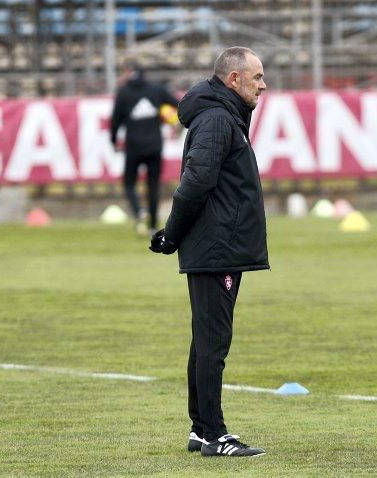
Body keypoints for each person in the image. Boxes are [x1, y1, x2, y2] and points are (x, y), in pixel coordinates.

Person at [149, 47, 269, 457]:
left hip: (218, 245)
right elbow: (196, 181)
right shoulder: (218, 118)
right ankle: (215, 435)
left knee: (205, 341)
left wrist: (174, 236)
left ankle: (201, 429)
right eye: (256, 77)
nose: (263, 84)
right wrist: (172, 234)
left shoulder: (221, 115)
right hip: (217, 247)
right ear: (233, 79)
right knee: (213, 342)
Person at [110, 61, 180, 236]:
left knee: (128, 184)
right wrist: (177, 122)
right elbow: (178, 103)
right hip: (154, 146)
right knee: (153, 186)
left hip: (133, 146)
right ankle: (152, 226)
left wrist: (113, 142)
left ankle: (139, 212)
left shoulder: (124, 92)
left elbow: (115, 120)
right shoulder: (156, 89)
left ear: (129, 71)